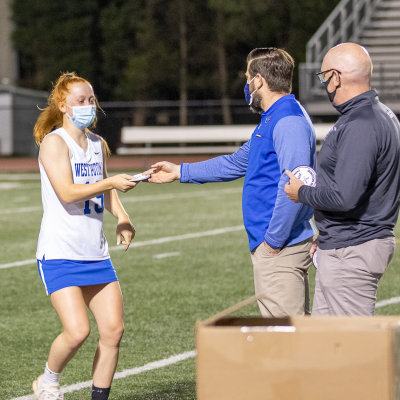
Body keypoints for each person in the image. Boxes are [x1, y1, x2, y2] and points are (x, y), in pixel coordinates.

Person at [144, 47, 317, 318]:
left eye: (248, 77)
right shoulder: (273, 118)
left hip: (281, 247)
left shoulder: (287, 120)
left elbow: (295, 184)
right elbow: (237, 162)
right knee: (290, 336)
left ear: (259, 80)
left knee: (287, 340)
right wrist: (180, 171)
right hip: (277, 244)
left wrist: (273, 241)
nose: (246, 84)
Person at [32, 72, 137, 400]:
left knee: (113, 331)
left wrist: (122, 216)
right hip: (60, 252)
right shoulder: (54, 142)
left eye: (91, 99)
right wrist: (110, 183)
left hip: (95, 252)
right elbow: (67, 192)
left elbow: (104, 190)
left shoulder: (95, 144)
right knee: (78, 331)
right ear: (63, 105)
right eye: (81, 100)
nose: (88, 106)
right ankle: (48, 382)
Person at [285, 43, 400, 316]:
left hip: (353, 249)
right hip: (347, 243)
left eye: (324, 75)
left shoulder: (361, 123)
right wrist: (327, 235)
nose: (324, 82)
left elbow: (345, 197)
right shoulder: (378, 115)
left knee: (353, 350)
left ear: (336, 76)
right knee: (328, 347)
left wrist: (301, 192)